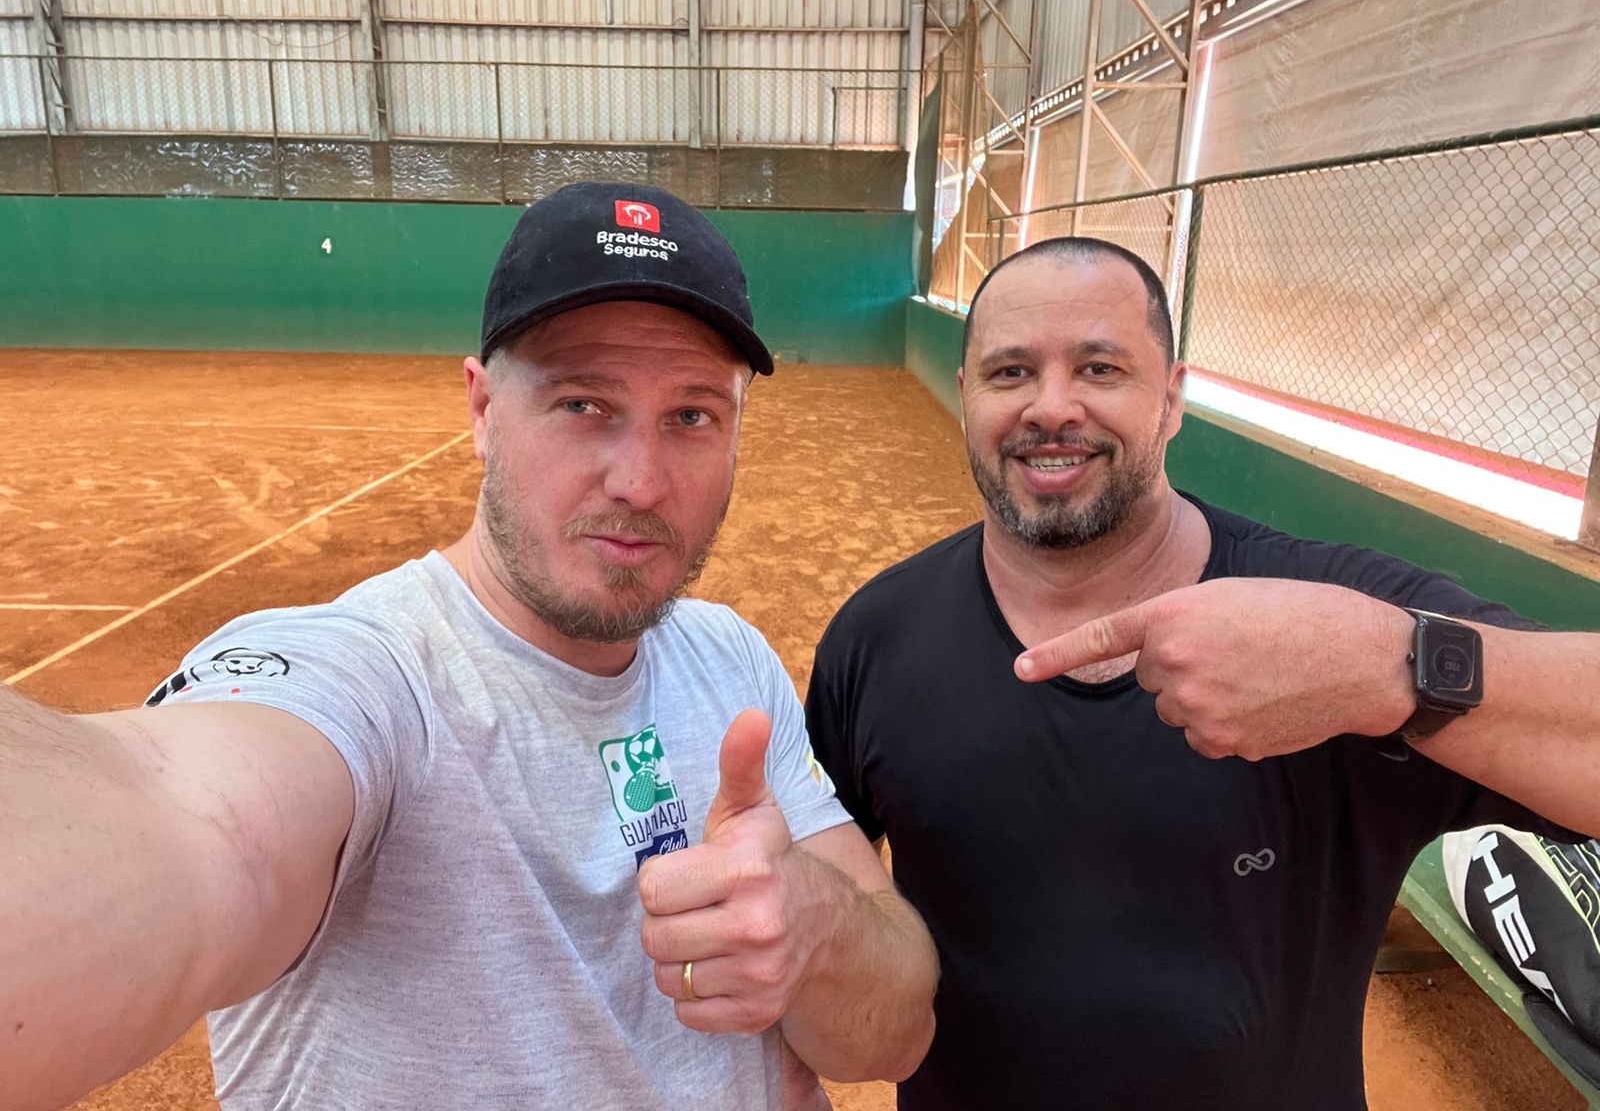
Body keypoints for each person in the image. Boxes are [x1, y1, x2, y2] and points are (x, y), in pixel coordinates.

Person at [1, 182, 938, 1111]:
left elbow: (896, 1034)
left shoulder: (729, 662)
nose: (641, 482)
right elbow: (193, 818)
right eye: (583, 404)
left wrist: (815, 927)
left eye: (691, 416)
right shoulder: (372, 679)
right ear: (483, 409)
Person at [804, 236, 1600, 1111]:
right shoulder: (875, 637)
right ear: (967, 396)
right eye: (1010, 373)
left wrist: (1391, 666)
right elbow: (833, 900)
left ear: (1173, 397)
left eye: (1100, 368)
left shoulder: (1330, 618)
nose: (1052, 407)